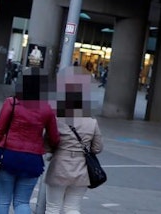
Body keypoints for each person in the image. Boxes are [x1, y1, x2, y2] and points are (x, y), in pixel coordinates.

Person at [0, 68, 60, 214]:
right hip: (33, 160)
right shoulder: (47, 109)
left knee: (3, 201)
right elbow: (55, 138)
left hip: (8, 156)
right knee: (22, 202)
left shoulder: (12, 103)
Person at [45, 70, 103, 214]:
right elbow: (97, 147)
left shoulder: (58, 120)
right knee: (72, 208)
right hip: (81, 170)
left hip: (59, 166)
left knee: (53, 207)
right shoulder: (91, 122)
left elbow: (48, 143)